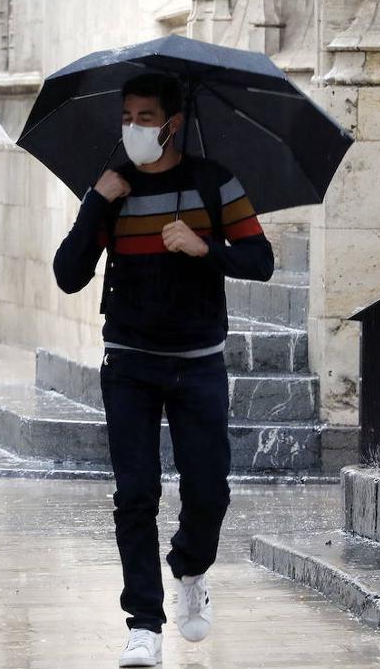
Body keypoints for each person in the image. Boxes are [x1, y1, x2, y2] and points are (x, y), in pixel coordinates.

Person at [53, 75, 274, 667]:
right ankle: (143, 624)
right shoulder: (113, 188)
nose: (134, 129)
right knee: (135, 494)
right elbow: (68, 273)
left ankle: (191, 568)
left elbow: (262, 260)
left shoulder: (212, 182)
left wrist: (206, 249)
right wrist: (97, 200)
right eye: (127, 117)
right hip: (128, 363)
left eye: (146, 117)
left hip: (198, 364)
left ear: (173, 123)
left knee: (209, 490)